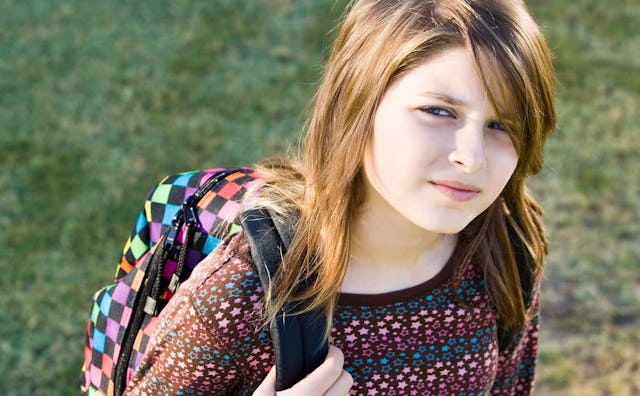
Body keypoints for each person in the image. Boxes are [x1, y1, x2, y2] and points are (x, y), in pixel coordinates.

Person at [125, 0, 556, 394]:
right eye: (439, 111)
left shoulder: (506, 245)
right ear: (357, 104)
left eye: (502, 125)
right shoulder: (244, 291)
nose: (472, 157)